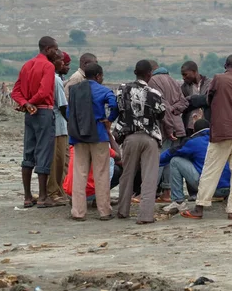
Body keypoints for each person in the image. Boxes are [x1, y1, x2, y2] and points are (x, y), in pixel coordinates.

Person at [181, 55, 232, 220]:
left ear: (226, 66)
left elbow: (209, 99)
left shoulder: (218, 78)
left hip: (222, 130)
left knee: (211, 170)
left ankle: (200, 207)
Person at [115, 60, 166, 224]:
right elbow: (161, 114)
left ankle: (123, 210)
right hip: (150, 138)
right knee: (149, 178)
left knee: (127, 175)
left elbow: (118, 109)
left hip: (129, 137)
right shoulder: (155, 94)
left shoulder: (122, 89)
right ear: (149, 74)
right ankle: (145, 216)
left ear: (135, 72)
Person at [11, 36, 59, 209]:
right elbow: (44, 90)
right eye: (55, 49)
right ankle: (43, 197)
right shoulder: (48, 66)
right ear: (47, 49)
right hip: (43, 111)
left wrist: (25, 104)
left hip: (29, 114)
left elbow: (15, 92)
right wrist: (30, 103)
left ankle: (27, 196)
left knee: (28, 152)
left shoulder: (26, 65)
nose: (57, 52)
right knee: (44, 151)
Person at [68, 63, 119, 221]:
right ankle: (104, 211)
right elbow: (114, 104)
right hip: (98, 135)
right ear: (98, 75)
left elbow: (69, 112)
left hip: (78, 136)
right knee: (101, 173)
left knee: (80, 173)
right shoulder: (103, 90)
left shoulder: (75, 90)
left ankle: (78, 212)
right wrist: (109, 119)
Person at [160, 119, 231, 214]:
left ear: (194, 130)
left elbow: (171, 153)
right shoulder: (220, 140)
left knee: (175, 161)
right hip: (228, 188)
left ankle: (178, 201)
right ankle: (227, 198)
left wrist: (154, 162)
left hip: (210, 189)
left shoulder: (193, 142)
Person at [148, 60, 189, 202]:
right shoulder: (173, 80)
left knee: (158, 160)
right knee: (169, 159)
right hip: (178, 126)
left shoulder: (153, 81)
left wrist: (169, 122)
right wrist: (174, 109)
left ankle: (149, 192)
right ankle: (167, 192)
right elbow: (184, 102)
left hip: (165, 127)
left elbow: (161, 106)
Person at [46, 50, 69, 205]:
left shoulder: (55, 78)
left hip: (52, 124)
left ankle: (59, 190)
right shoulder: (55, 80)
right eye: (62, 61)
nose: (64, 65)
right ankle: (54, 191)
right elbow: (62, 106)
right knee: (57, 160)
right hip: (58, 125)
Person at [180, 61, 212, 136]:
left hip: (207, 125)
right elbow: (183, 104)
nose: (183, 78)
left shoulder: (209, 84)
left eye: (185, 74)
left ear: (194, 72)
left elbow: (210, 100)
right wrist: (201, 100)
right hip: (190, 127)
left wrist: (191, 99)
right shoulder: (184, 88)